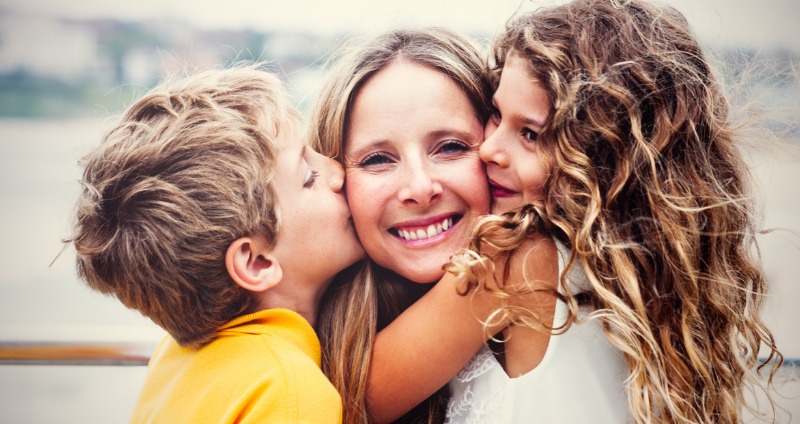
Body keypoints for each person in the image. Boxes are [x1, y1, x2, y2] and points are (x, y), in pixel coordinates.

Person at [444, 0, 783, 422]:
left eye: (530, 134)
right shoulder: (651, 284)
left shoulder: (524, 259)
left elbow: (368, 393)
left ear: (605, 161)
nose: (491, 148)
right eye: (497, 115)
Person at [70, 66, 365, 423]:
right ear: (256, 262)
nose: (338, 172)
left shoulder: (172, 359)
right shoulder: (290, 390)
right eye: (309, 177)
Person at [310, 28, 547, 423]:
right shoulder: (310, 326)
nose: (420, 189)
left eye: (451, 147)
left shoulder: (523, 259)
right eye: (377, 160)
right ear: (335, 180)